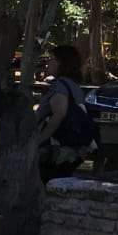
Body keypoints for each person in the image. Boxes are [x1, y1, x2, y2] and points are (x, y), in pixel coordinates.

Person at [36, 45, 98, 182]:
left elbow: (59, 114)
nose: (48, 62)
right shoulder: (73, 85)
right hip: (73, 148)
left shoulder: (60, 86)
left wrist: (39, 141)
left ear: (62, 63)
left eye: (52, 58)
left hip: (58, 149)